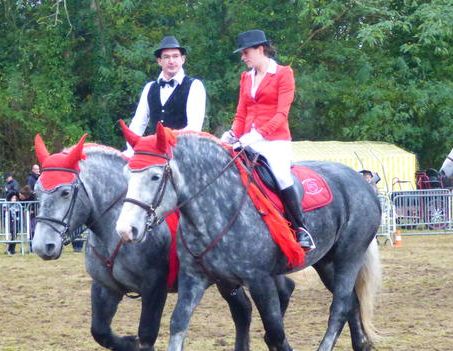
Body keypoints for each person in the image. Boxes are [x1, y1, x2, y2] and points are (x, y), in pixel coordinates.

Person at [220, 30, 314, 250]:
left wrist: (258, 134)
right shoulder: (246, 77)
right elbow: (241, 113)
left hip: (274, 140)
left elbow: (282, 114)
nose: (243, 57)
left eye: (246, 53)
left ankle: (301, 228)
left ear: (260, 49)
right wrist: (231, 133)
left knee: (281, 176)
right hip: (246, 139)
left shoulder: (283, 73)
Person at [127, 35, 207, 155]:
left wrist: (169, 144)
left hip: (183, 153)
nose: (171, 61)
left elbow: (194, 128)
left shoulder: (194, 86)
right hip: (155, 153)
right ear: (160, 61)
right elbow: (138, 123)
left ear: (183, 59)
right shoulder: (150, 88)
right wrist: (131, 150)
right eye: (166, 57)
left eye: (175, 56)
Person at [4, 191, 22, 255]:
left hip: (16, 221)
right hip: (10, 222)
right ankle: (10, 249)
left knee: (15, 235)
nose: (14, 199)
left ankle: (12, 249)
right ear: (10, 199)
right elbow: (4, 208)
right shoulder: (7, 204)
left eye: (15, 198)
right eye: (12, 198)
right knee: (13, 235)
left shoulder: (18, 205)